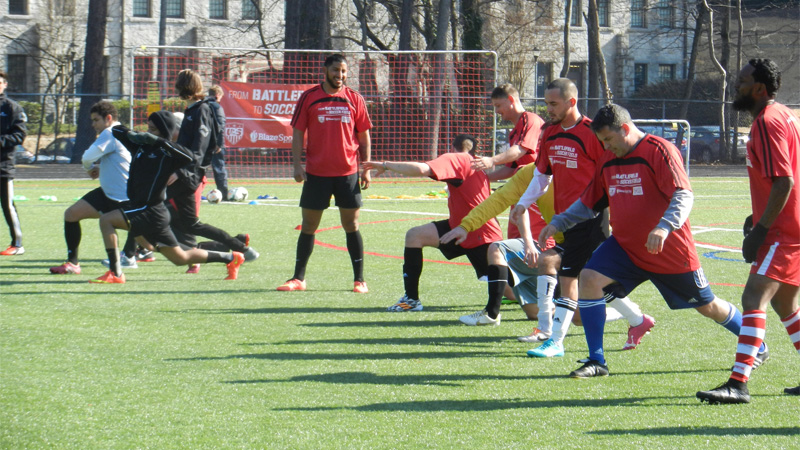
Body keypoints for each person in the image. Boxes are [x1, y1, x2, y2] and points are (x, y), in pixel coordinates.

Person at [539, 103, 768, 378]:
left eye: (609, 140)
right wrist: (558, 221)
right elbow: (590, 203)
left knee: (708, 306)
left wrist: (663, 227)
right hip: (625, 246)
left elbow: (683, 195)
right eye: (602, 142)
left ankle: (757, 344)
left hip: (668, 250)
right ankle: (596, 361)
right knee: (588, 278)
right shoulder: (607, 158)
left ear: (625, 129)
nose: (606, 147)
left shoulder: (659, 150)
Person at [511, 79, 652, 358]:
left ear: (571, 102)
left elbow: (613, 169)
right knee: (595, 280)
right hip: (566, 219)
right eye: (546, 103)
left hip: (592, 216)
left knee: (568, 276)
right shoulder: (549, 132)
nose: (548, 109)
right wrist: (523, 203)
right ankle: (638, 320)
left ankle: (555, 340)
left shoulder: (592, 133)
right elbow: (542, 174)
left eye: (553, 104)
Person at [697, 58, 799, 404]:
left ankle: (738, 384)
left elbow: (784, 181)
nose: (734, 86)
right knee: (785, 304)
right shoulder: (783, 115)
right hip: (787, 224)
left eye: (740, 81)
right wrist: (755, 218)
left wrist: (761, 230)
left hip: (784, 230)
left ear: (759, 89)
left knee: (753, 297)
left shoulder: (768, 122)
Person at [91, 111, 244, 283]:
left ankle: (116, 273)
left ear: (164, 131)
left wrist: (159, 141)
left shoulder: (168, 154)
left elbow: (191, 157)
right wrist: (131, 133)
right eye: (148, 128)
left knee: (106, 220)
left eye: (154, 130)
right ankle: (231, 258)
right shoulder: (140, 147)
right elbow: (117, 130)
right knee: (180, 258)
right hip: (149, 211)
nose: (149, 133)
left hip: (149, 210)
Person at [363, 134, 503, 311]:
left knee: (514, 293)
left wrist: (385, 165)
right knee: (415, 235)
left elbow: (422, 169)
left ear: (453, 148)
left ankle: (537, 293)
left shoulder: (457, 158)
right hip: (461, 228)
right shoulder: (475, 162)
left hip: (478, 233)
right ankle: (411, 300)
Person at [277, 54, 372, 294]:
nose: (339, 75)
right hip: (316, 173)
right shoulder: (309, 97)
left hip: (348, 173)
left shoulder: (354, 99)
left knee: (351, 224)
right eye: (335, 70)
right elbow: (298, 132)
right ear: (325, 71)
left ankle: (359, 280)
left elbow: (363, 136)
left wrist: (366, 167)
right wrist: (297, 165)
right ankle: (298, 278)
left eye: (343, 71)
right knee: (309, 225)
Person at [166, 69, 258, 274]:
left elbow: (198, 149)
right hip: (186, 175)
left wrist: (180, 172)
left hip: (187, 177)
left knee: (147, 209)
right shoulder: (193, 110)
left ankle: (128, 256)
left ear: (183, 89)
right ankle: (239, 248)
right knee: (191, 225)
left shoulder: (201, 110)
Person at [50, 101, 131, 274]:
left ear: (108, 118)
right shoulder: (123, 131)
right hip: (109, 194)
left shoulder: (110, 132)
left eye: (96, 120)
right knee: (71, 214)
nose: (93, 125)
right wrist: (101, 169)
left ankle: (197, 253)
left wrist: (90, 169)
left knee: (160, 244)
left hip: (123, 198)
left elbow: (87, 157)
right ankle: (73, 263)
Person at [0, 71, 27, 256]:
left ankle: (17, 244)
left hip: (3, 165)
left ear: (4, 85)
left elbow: (19, 136)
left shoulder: (11, 107)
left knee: (7, 204)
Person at [207, 85, 230, 201]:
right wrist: (219, 144)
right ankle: (224, 194)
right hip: (214, 143)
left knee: (198, 168)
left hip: (201, 143)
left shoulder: (201, 105)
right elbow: (220, 126)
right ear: (217, 96)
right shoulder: (217, 107)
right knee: (219, 167)